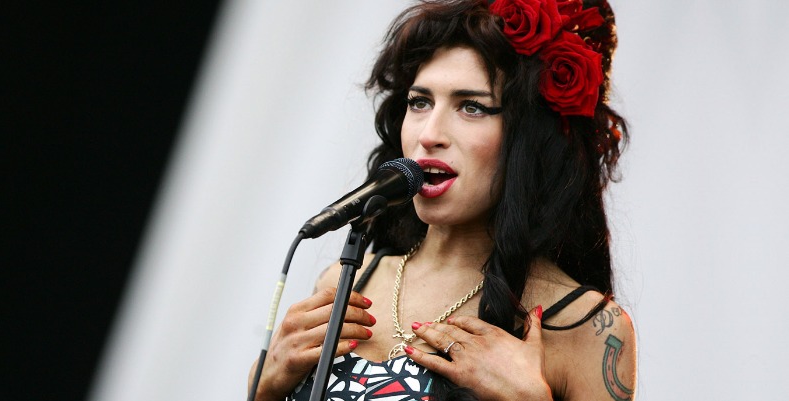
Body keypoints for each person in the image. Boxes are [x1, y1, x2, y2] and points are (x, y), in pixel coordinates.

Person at [249, 0, 636, 399]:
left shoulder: (586, 325)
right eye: (420, 102)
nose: (429, 134)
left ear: (533, 138)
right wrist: (263, 389)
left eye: (472, 107)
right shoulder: (344, 283)